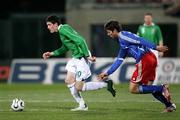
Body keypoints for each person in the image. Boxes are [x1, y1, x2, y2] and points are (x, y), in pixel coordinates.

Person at [98, 20, 176, 113]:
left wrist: (156, 47)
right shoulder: (123, 41)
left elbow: (141, 40)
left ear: (114, 30)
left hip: (144, 60)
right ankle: (169, 106)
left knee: (133, 89)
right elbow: (119, 60)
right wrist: (107, 73)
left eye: (109, 32)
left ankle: (162, 88)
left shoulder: (124, 36)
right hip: (151, 58)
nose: (108, 34)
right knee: (148, 87)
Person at [42, 15, 116, 111]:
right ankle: (82, 105)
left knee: (79, 87)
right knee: (68, 80)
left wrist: (87, 56)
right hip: (76, 58)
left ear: (55, 24)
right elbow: (65, 47)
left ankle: (106, 84)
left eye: (49, 25)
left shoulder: (63, 29)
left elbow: (81, 40)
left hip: (82, 58)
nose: (48, 27)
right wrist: (51, 53)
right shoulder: (63, 30)